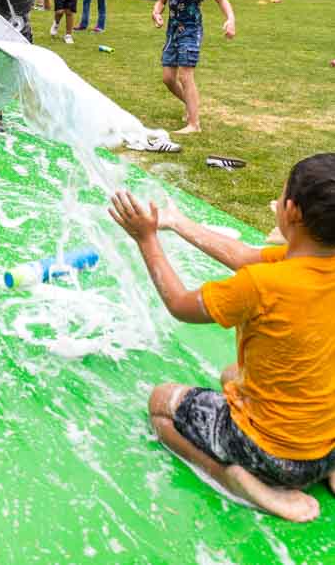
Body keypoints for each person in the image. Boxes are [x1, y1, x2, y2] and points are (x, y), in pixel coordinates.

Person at [109, 152, 335, 523]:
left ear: (291, 211)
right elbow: (244, 255)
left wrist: (146, 238)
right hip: (325, 446)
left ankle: (232, 478)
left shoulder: (260, 287)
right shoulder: (309, 262)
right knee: (233, 375)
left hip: (269, 458)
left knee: (162, 403)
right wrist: (179, 223)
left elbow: (180, 304)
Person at [152, 0, 235, 134]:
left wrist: (230, 19)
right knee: (168, 78)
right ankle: (190, 105)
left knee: (185, 76)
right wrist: (156, 12)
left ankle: (194, 124)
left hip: (191, 30)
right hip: (173, 30)